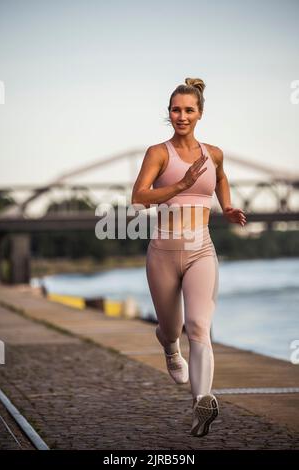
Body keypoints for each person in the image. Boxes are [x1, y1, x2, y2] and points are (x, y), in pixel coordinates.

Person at [131, 77, 246, 437]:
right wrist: (179, 186)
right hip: (163, 253)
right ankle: (169, 348)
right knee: (172, 328)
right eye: (175, 109)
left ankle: (202, 403)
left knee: (198, 327)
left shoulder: (214, 153)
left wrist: (226, 206)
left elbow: (222, 178)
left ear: (200, 113)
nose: (181, 115)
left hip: (201, 250)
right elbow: (139, 197)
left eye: (188, 110)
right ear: (169, 113)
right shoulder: (159, 152)